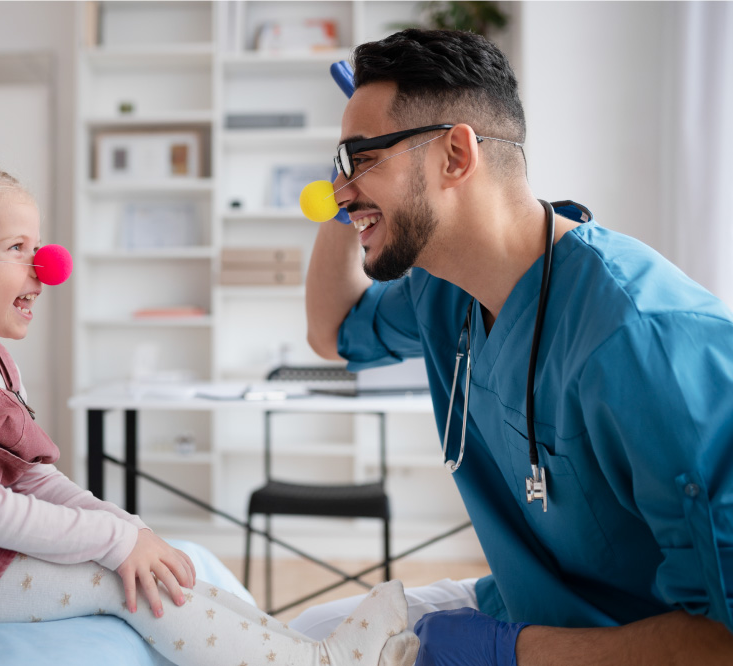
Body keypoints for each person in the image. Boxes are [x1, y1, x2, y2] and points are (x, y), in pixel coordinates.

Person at [0, 158, 420, 666]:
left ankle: (297, 649)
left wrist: (126, 527)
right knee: (119, 579)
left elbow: (30, 476)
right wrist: (118, 544)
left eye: (38, 246)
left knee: (149, 557)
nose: (46, 268)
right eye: (18, 248)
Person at [297, 28, 733, 666]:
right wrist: (354, 195)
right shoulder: (443, 292)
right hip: (524, 603)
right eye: (339, 165)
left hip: (621, 643)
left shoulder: (646, 342)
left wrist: (511, 653)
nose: (339, 188)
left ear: (455, 155)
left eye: (363, 157)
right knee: (312, 633)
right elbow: (331, 332)